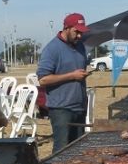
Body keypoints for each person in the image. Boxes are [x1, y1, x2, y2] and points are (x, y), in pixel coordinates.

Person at [37, 13, 91, 153]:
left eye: (81, 32)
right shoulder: (52, 49)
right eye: (76, 32)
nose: (79, 36)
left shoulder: (80, 46)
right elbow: (43, 79)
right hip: (61, 109)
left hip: (79, 107)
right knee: (62, 151)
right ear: (66, 28)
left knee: (78, 150)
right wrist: (72, 76)